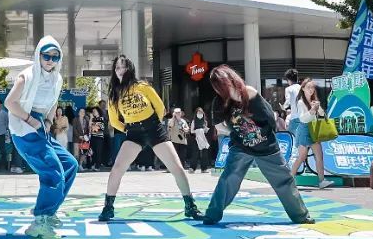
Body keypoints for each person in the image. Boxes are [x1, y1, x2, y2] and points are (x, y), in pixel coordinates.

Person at [203, 65, 313, 226]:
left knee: (283, 180)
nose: (222, 90)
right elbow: (219, 126)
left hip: (266, 146)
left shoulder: (249, 93)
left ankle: (301, 216)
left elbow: (270, 119)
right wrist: (239, 132)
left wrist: (258, 135)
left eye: (223, 85)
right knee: (229, 179)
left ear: (232, 80)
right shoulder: (219, 102)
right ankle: (212, 215)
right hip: (241, 146)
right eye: (218, 87)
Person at [97, 55, 203, 222]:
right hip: (133, 133)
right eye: (117, 68)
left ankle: (190, 206)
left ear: (130, 68)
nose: (120, 70)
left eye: (123, 67)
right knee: (117, 169)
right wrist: (127, 129)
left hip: (154, 129)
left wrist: (154, 125)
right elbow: (114, 121)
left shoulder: (143, 86)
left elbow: (160, 108)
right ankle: (108, 208)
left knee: (176, 168)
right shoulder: (114, 94)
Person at [4, 36, 79, 239]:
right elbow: (10, 103)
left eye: (55, 57)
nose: (50, 61)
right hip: (24, 127)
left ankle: (48, 212)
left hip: (40, 126)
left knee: (70, 164)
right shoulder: (26, 76)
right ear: (39, 55)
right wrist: (31, 120)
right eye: (46, 56)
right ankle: (40, 220)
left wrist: (47, 121)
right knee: (52, 170)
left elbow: (53, 103)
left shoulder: (57, 78)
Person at [289, 79, 334, 189]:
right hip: (304, 130)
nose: (311, 90)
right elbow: (303, 119)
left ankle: (322, 181)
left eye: (312, 87)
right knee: (302, 157)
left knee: (319, 156)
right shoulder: (301, 102)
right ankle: (289, 180)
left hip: (314, 131)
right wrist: (312, 110)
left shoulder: (315, 101)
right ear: (303, 89)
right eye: (308, 87)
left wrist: (319, 109)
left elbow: (323, 116)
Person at [192, 106, 212, 172]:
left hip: (203, 138)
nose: (200, 113)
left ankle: (204, 168)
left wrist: (205, 129)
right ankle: (192, 168)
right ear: (196, 113)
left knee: (204, 153)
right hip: (196, 138)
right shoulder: (194, 121)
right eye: (198, 112)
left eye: (201, 112)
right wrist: (198, 131)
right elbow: (192, 131)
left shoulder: (205, 121)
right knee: (195, 153)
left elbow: (206, 131)